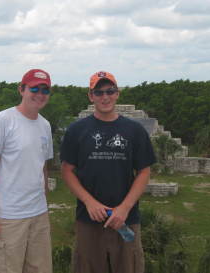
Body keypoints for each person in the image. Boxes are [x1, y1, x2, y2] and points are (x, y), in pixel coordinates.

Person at [60, 71, 156, 273]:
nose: (105, 97)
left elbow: (144, 171)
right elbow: (67, 171)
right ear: (91, 96)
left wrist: (124, 208)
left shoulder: (134, 130)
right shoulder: (76, 130)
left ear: (117, 93)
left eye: (110, 91)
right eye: (99, 92)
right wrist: (89, 202)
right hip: (89, 220)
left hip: (126, 219)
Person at [0, 69, 53, 273]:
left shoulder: (45, 125)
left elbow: (42, 168)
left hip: (38, 214)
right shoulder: (3, 120)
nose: (40, 93)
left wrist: (45, 205)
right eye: (34, 88)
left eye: (45, 89)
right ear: (21, 89)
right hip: (8, 217)